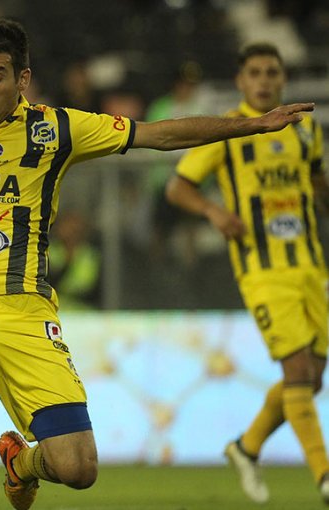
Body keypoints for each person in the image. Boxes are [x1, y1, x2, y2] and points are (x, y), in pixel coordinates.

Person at [0, 18, 314, 509]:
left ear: (22, 79)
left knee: (77, 468)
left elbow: (158, 135)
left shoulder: (57, 128)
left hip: (25, 312)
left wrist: (252, 125)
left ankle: (21, 464)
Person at [166, 43, 329, 505]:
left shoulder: (306, 131)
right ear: (240, 81)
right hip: (262, 268)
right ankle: (324, 476)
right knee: (297, 369)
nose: (263, 80)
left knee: (312, 378)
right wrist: (214, 213)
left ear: (282, 80)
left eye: (272, 72)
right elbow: (179, 188)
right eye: (254, 72)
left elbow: (318, 184)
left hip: (310, 266)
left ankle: (245, 447)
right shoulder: (230, 132)